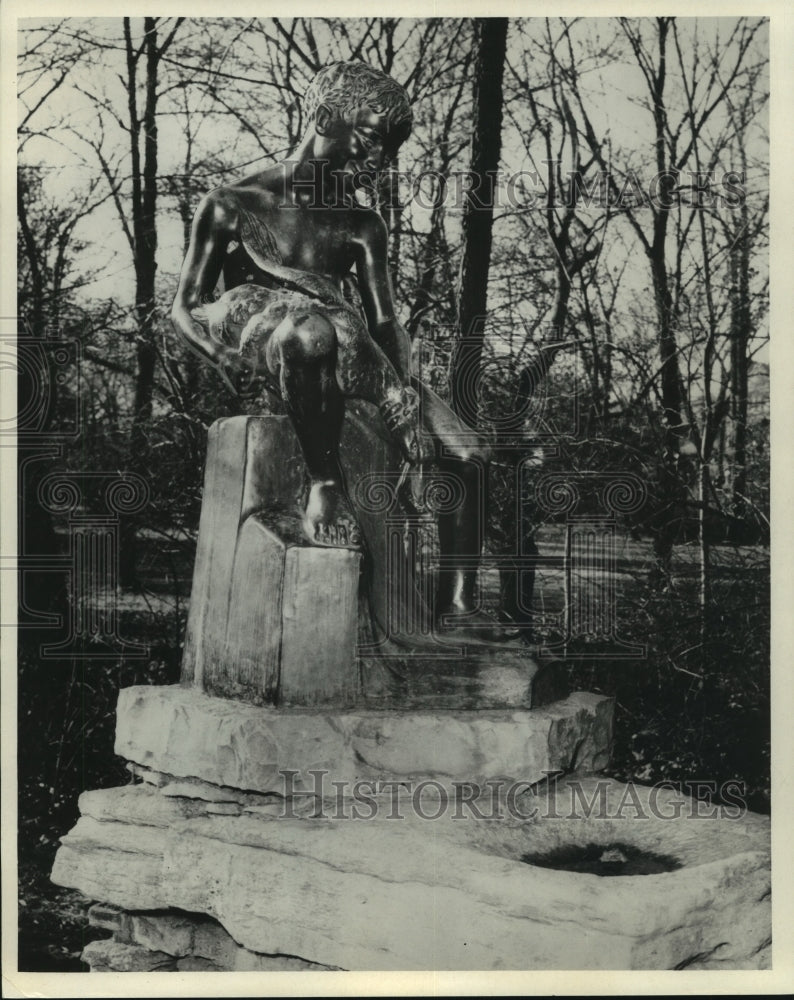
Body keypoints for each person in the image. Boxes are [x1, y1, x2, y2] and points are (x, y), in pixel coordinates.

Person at [171, 61, 517, 642]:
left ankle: (458, 608)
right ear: (327, 116)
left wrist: (406, 394)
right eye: (372, 137)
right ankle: (324, 483)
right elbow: (184, 305)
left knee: (472, 454)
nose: (379, 158)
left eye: (389, 148)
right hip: (282, 347)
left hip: (360, 355)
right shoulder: (233, 203)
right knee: (310, 336)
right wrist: (219, 355)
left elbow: (382, 322)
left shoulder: (362, 224)